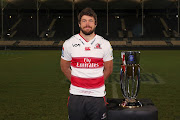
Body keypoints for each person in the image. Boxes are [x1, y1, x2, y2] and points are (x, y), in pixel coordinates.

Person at [60, 7, 113, 120]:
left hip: (97, 96)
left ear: (95, 24)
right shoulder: (69, 43)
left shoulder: (105, 44)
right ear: (79, 24)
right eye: (84, 21)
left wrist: (95, 83)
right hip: (76, 96)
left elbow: (108, 69)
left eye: (90, 21)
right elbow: (64, 67)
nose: (87, 24)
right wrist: (77, 81)